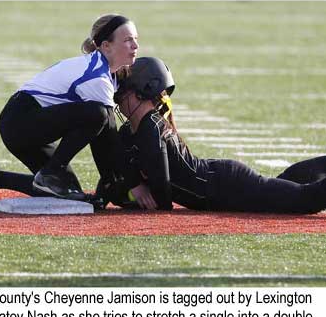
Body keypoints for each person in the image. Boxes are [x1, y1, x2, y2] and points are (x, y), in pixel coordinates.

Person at [0, 14, 139, 205]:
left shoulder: (105, 70)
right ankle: (52, 172)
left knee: (69, 192)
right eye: (127, 40)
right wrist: (128, 183)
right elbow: (107, 138)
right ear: (106, 45)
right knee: (97, 114)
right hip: (20, 121)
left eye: (136, 39)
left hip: (25, 120)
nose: (135, 46)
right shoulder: (97, 77)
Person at [105, 56, 326, 214]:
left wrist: (135, 190)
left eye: (122, 93)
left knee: (304, 200)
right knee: (281, 188)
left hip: (228, 185)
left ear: (142, 92)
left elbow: (162, 197)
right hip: (221, 188)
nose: (118, 100)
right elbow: (114, 184)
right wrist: (132, 187)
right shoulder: (129, 132)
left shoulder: (151, 127)